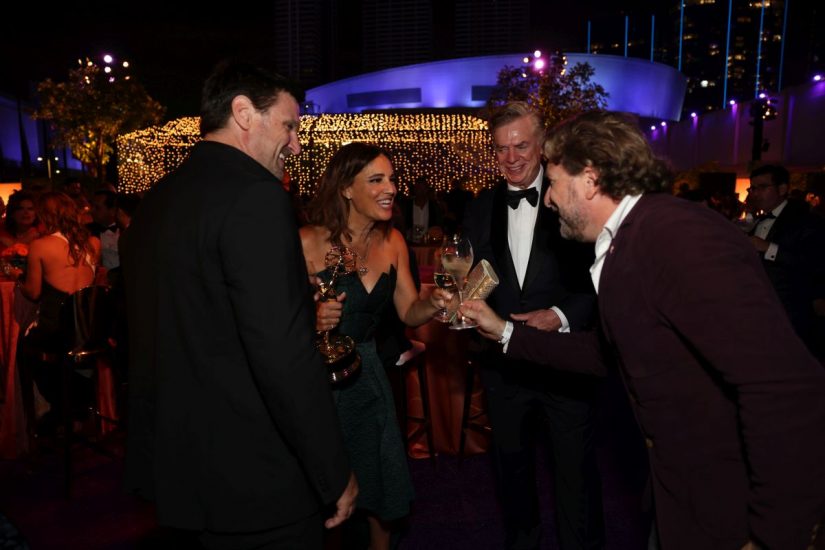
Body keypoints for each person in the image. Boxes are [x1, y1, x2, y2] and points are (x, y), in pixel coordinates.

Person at [461, 110, 825, 550]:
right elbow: (605, 352)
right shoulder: (628, 239)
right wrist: (503, 330)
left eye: (554, 183)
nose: (549, 199)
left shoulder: (677, 235)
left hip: (729, 505)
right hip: (681, 494)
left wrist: (773, 537)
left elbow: (784, 386)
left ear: (590, 179)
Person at [120, 60, 357, 549]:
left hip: (181, 471)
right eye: (290, 126)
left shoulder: (157, 201)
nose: (295, 144)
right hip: (256, 477)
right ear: (244, 114)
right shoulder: (257, 196)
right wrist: (333, 471)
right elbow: (283, 356)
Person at [462, 101, 604, 550]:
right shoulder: (481, 205)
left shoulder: (571, 197)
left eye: (521, 145)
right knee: (512, 470)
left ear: (541, 144)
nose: (512, 157)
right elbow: (476, 273)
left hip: (564, 361)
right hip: (503, 363)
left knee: (575, 473)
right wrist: (461, 297)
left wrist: (559, 316)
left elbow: (596, 282)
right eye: (502, 148)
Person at [300, 142, 447, 550]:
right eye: (377, 180)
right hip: (320, 385)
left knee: (382, 493)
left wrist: (431, 303)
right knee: (326, 496)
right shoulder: (307, 242)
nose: (391, 188)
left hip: (371, 381)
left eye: (393, 179)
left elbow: (407, 313)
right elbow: (274, 322)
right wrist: (311, 321)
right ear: (347, 188)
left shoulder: (393, 240)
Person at [15, 192, 100, 430]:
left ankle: (52, 411)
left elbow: (33, 292)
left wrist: (16, 278)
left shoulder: (40, 245)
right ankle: (78, 404)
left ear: (45, 215)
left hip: (58, 331)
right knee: (70, 352)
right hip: (90, 330)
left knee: (21, 349)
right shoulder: (93, 243)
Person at [745, 164, 825, 356]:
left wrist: (768, 248)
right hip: (761, 309)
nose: (755, 193)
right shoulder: (757, 220)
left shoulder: (805, 220)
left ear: (782, 189)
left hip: (791, 311)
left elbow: (812, 264)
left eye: (762, 187)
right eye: (753, 188)